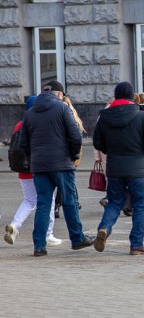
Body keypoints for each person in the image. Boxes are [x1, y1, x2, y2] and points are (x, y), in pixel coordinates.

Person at [19, 81, 95, 257]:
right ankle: (77, 239)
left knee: (44, 205)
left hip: (39, 166)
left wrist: (34, 158)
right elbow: (76, 136)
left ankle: (39, 246)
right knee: (69, 202)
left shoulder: (30, 113)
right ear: (59, 94)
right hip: (61, 164)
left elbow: (23, 143)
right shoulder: (62, 108)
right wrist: (74, 155)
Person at [93, 82, 144, 255]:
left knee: (115, 202)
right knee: (139, 205)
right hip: (137, 167)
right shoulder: (141, 116)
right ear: (132, 97)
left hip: (114, 167)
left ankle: (104, 228)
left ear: (116, 96)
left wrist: (111, 150)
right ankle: (136, 245)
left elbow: (97, 142)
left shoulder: (105, 117)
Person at [4, 96, 62, 246]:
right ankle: (48, 234)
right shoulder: (36, 122)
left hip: (21, 169)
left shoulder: (18, 125)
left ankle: (15, 226)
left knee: (29, 200)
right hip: (37, 167)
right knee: (48, 200)